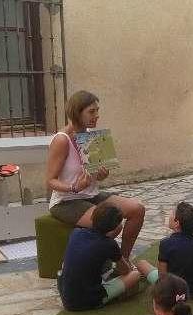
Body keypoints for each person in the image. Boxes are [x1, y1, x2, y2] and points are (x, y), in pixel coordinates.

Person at [46, 90, 145, 262]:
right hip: (67, 201)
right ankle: (99, 262)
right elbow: (49, 181)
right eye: (92, 112)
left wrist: (101, 175)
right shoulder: (62, 140)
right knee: (113, 226)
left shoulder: (92, 137)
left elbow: (96, 177)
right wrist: (74, 187)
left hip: (92, 195)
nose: (97, 116)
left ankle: (123, 260)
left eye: (97, 111)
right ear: (77, 112)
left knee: (137, 209)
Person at [57, 204, 145, 311]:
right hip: (86, 301)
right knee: (135, 275)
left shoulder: (76, 232)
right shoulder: (109, 244)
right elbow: (125, 270)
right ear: (115, 226)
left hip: (65, 294)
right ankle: (112, 297)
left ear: (92, 217)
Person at [153, 202, 193, 298]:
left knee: (142, 264)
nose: (169, 215)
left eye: (172, 213)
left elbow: (162, 276)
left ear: (177, 223)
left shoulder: (166, 244)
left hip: (173, 291)